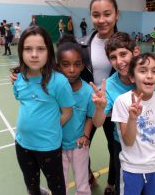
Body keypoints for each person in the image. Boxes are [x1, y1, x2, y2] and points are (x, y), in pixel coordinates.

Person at [90, 32, 155, 195]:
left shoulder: (148, 77)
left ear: (135, 52)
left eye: (123, 54)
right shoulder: (110, 86)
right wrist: (100, 108)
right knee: (126, 186)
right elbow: (98, 123)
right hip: (122, 146)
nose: (119, 62)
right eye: (113, 57)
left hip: (149, 142)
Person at [12, 26, 74, 195]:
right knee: (31, 184)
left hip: (48, 146)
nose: (34, 54)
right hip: (22, 144)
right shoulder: (19, 79)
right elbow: (23, 102)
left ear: (48, 52)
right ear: (21, 52)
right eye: (28, 49)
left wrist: (51, 126)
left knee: (57, 186)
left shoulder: (59, 82)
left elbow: (67, 112)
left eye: (40, 49)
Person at [112, 53, 155, 195]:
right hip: (132, 169)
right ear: (132, 77)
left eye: (154, 71)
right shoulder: (122, 102)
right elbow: (128, 141)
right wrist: (132, 118)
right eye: (143, 70)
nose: (149, 75)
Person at [77, 0, 119, 195]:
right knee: (81, 148)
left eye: (107, 14)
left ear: (117, 15)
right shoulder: (81, 44)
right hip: (87, 110)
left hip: (114, 109)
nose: (101, 20)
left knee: (115, 149)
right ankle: (88, 176)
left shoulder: (125, 45)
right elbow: (63, 70)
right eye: (96, 15)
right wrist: (23, 74)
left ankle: (111, 183)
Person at [57, 37, 95, 195]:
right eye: (66, 65)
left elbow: (90, 117)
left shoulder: (88, 91)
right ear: (58, 66)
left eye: (76, 64)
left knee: (82, 184)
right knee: (60, 184)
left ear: (82, 66)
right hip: (56, 145)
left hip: (79, 145)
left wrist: (86, 135)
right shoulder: (54, 89)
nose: (71, 70)